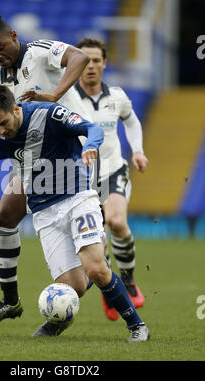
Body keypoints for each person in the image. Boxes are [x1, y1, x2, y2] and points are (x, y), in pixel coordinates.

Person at [0, 84, 150, 341]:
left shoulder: (51, 114)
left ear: (16, 109)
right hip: (43, 211)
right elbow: (7, 148)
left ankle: (137, 326)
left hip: (77, 198)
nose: (0, 130)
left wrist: (92, 145)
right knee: (73, 286)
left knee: (96, 270)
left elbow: (92, 128)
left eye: (4, 123)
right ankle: (61, 317)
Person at [0, 12, 91, 328]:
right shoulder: (4, 78)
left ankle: (81, 294)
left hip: (71, 154)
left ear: (13, 36)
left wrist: (55, 94)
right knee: (5, 216)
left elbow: (79, 56)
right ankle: (10, 302)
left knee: (89, 259)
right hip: (35, 160)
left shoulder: (38, 51)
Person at [75, 38, 149, 321]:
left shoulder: (116, 96)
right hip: (82, 179)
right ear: (77, 64)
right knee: (98, 243)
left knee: (116, 221)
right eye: (86, 60)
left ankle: (128, 280)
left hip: (113, 171)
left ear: (105, 64)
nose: (91, 66)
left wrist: (138, 151)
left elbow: (130, 120)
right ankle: (111, 290)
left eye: (96, 60)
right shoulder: (68, 97)